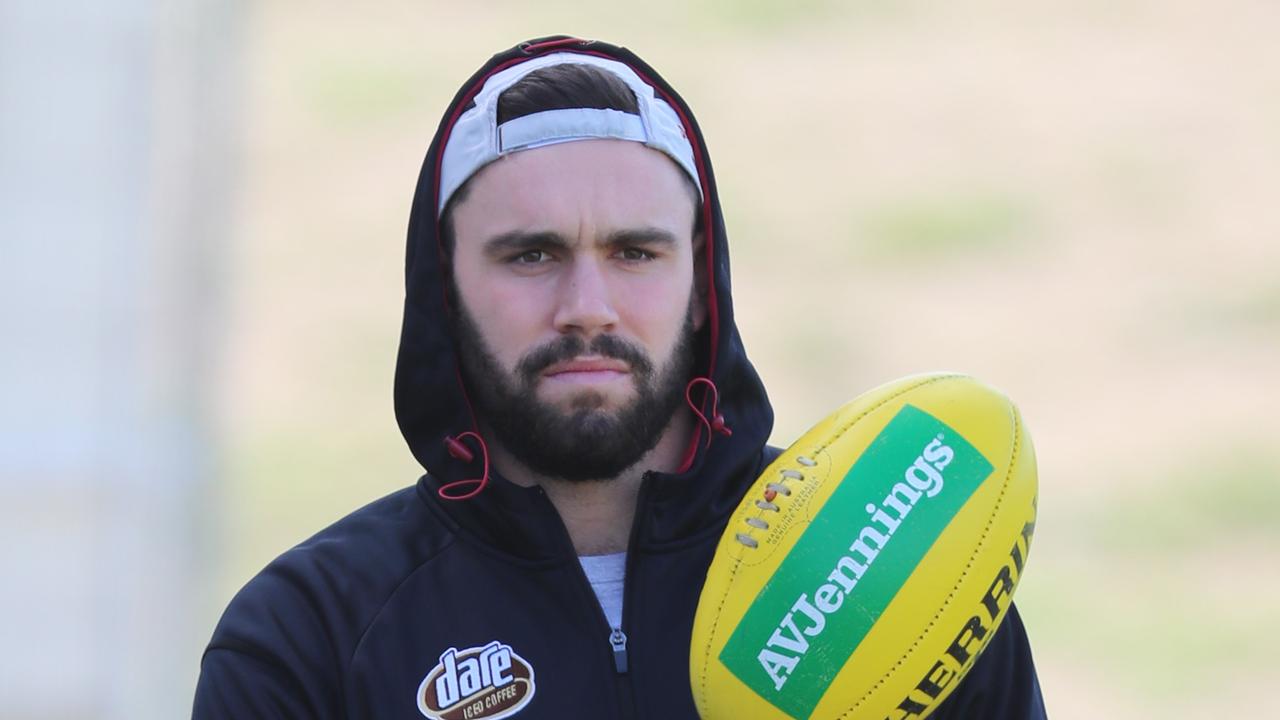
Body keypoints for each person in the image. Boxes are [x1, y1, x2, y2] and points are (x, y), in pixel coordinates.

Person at [193, 36, 1046, 719]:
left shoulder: (897, 573)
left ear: (701, 280)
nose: (587, 306)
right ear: (444, 289)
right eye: (532, 254)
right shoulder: (310, 635)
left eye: (634, 252)